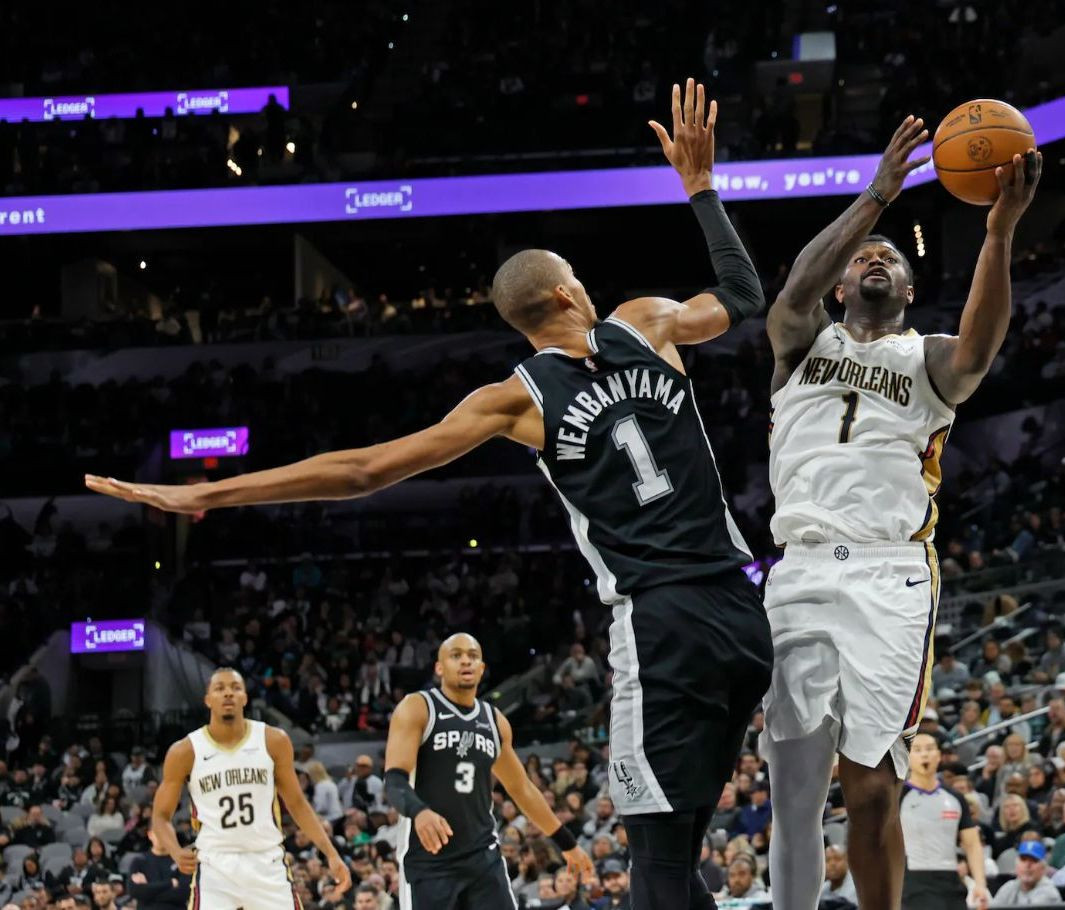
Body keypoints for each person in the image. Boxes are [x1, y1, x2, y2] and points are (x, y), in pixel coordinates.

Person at [88, 80, 772, 910]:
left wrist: (204, 496)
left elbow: (363, 470)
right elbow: (744, 295)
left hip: (661, 626)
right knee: (682, 848)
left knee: (658, 857)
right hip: (742, 611)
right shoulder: (647, 321)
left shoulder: (515, 400)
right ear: (567, 294)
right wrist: (700, 189)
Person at [760, 100, 1042, 910]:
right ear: (842, 283)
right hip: (801, 570)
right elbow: (795, 290)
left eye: (888, 257)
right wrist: (878, 193)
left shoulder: (929, 359)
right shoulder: (800, 342)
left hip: (890, 576)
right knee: (793, 792)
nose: (874, 259)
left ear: (909, 289)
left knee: (873, 789)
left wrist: (998, 233)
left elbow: (981, 348)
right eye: (861, 258)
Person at [385, 633, 593, 908]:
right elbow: (394, 780)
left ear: (481, 668)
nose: (465, 661)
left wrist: (567, 843)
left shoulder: (494, 722)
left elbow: (522, 789)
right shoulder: (418, 707)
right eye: (456, 655)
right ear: (439, 667)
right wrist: (419, 811)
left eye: (473, 656)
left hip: (483, 859)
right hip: (428, 862)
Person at [150, 668, 352, 909]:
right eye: (220, 688)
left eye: (235, 688)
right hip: (215, 866)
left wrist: (331, 854)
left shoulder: (273, 740)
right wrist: (174, 850)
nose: (228, 693)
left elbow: (297, 803)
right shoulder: (185, 751)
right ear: (208, 700)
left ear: (245, 698)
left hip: (266, 860)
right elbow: (160, 816)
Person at [899, 732, 990, 909]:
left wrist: (980, 884)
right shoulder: (897, 797)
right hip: (913, 881)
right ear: (907, 758)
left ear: (939, 756)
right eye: (917, 750)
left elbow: (972, 844)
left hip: (951, 880)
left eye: (929, 749)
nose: (925, 754)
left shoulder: (955, 798)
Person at [991, 841, 1060, 905]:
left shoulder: (1049, 893)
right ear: (1016, 866)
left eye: (1034, 860)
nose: (1027, 865)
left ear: (1043, 868)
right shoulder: (1009, 887)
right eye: (1023, 860)